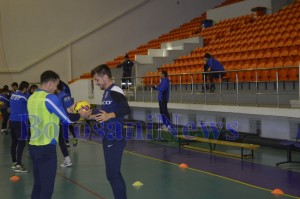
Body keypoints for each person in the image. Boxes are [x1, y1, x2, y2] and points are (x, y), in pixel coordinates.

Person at [27, 70, 90, 199]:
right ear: (50, 83)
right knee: (47, 188)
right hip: (46, 148)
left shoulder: (32, 97)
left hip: (33, 147)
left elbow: (49, 114)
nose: (56, 88)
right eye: (56, 85)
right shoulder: (49, 98)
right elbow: (66, 119)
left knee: (38, 184)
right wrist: (80, 115)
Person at [90, 64, 131, 199]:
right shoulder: (107, 92)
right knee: (112, 174)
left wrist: (110, 115)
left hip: (115, 138)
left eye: (97, 80)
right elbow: (103, 113)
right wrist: (88, 113)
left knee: (113, 174)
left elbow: (125, 109)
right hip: (108, 137)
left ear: (105, 77)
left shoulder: (115, 90)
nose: (96, 83)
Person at [56, 81, 80, 167]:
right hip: (66, 120)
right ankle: (67, 159)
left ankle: (67, 160)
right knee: (61, 140)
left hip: (61, 121)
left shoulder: (57, 97)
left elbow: (69, 109)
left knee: (61, 141)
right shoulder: (66, 95)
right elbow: (70, 109)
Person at [9, 81, 30, 173]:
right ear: (25, 88)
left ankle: (14, 162)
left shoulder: (13, 95)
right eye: (27, 88)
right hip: (20, 121)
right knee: (22, 143)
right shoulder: (24, 97)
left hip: (12, 121)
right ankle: (18, 165)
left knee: (14, 142)